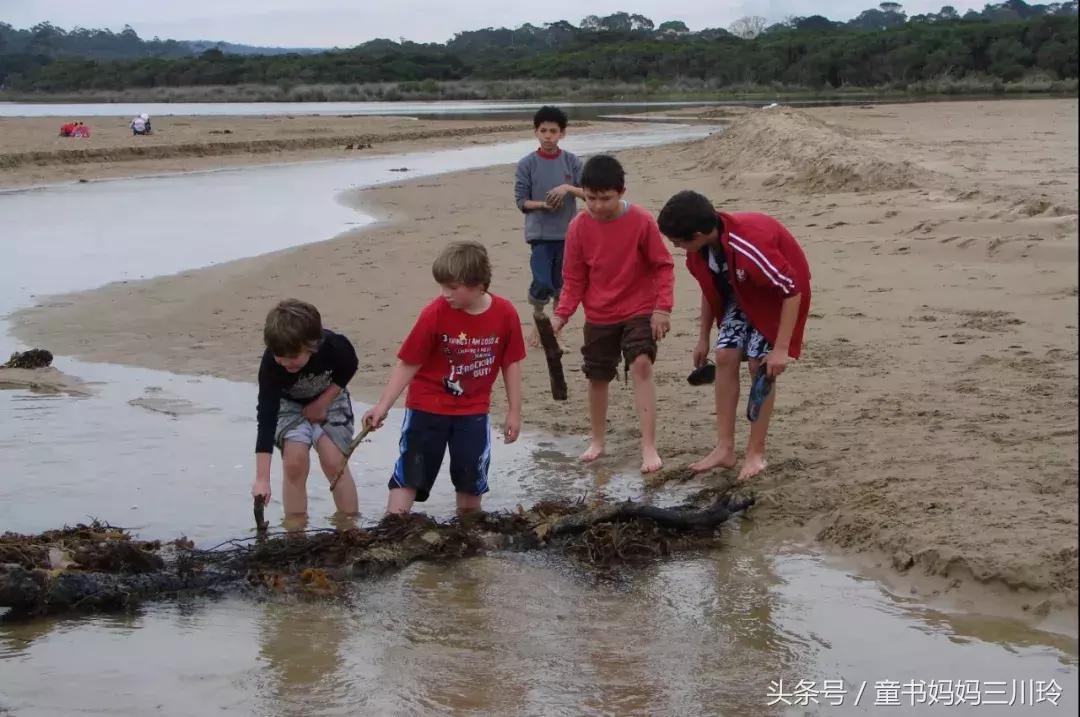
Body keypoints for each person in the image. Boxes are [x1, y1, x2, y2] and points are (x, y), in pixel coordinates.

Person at [657, 190, 812, 482]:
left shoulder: (749, 245)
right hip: (741, 294)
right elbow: (709, 289)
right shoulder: (698, 252)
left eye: (677, 241)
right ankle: (725, 449)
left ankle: (755, 453)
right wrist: (703, 337)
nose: (675, 246)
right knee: (725, 354)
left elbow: (792, 289)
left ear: (699, 233)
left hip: (779, 297)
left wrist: (780, 349)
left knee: (759, 364)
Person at [362, 241, 526, 515]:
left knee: (470, 479)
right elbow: (408, 363)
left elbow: (511, 364)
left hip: (473, 411)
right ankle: (392, 527)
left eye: (452, 288)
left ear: (478, 285)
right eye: (442, 286)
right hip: (427, 407)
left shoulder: (505, 314)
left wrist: (514, 411)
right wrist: (383, 406)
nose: (445, 294)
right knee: (410, 472)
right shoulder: (435, 312)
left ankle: (469, 540)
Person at [550, 154, 675, 474]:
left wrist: (662, 308)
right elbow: (574, 279)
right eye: (590, 198)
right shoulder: (578, 227)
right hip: (600, 313)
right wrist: (560, 316)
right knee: (597, 375)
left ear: (621, 192)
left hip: (640, 308)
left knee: (641, 363)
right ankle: (597, 440)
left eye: (605, 198)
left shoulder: (642, 220)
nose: (596, 206)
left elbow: (663, 265)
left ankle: (649, 445)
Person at [251, 299, 360, 520]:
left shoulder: (334, 346)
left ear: (313, 346)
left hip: (330, 397)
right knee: (294, 462)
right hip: (288, 405)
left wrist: (323, 402)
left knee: (333, 461)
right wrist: (262, 478)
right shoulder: (271, 365)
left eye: (293, 358)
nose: (285, 363)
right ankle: (295, 531)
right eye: (279, 356)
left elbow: (350, 365)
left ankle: (349, 525)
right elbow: (266, 415)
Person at [513, 105, 584, 332]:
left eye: (553, 131)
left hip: (567, 233)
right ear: (536, 132)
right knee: (543, 281)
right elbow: (521, 201)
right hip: (540, 234)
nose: (548, 136)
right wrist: (543, 205)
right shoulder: (527, 164)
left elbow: (589, 194)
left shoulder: (572, 162)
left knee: (561, 285)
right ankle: (538, 318)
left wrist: (567, 188)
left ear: (562, 133)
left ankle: (555, 330)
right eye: (543, 131)